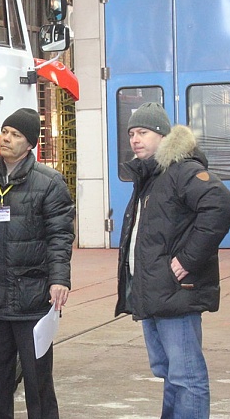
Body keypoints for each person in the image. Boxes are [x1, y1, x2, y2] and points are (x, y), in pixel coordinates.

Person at [0, 108, 75, 419]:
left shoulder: (49, 183)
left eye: (16, 135)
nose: (7, 138)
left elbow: (60, 236)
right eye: (5, 132)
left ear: (30, 143)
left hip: (31, 299)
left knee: (37, 381)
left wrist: (59, 280)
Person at [115, 102, 230, 418]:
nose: (135, 139)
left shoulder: (182, 170)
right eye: (132, 133)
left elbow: (220, 206)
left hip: (176, 292)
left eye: (143, 132)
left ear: (163, 136)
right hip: (155, 291)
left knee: (186, 375)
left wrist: (188, 260)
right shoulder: (150, 177)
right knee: (169, 372)